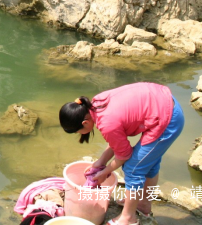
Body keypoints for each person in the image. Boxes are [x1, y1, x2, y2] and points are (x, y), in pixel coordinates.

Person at [59, 82, 185, 225]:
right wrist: (100, 163)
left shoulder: (106, 123)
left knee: (133, 168)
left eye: (77, 131)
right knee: (148, 162)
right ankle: (143, 204)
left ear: (84, 123)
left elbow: (124, 154)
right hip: (164, 104)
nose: (78, 134)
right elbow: (118, 141)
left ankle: (128, 218)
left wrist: (104, 172)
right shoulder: (96, 104)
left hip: (167, 119)